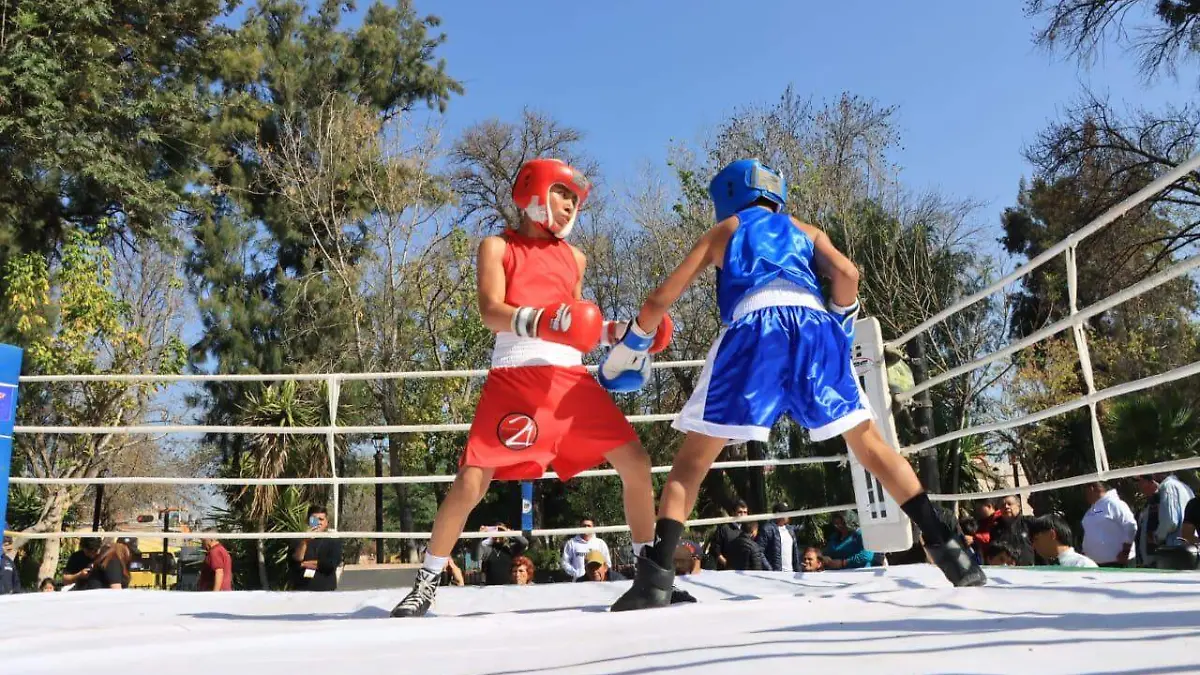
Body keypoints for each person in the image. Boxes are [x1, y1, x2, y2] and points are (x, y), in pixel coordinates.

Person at [599, 158, 987, 611]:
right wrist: (838, 326)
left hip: (754, 329)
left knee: (692, 462)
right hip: (816, 327)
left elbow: (659, 299)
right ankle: (952, 552)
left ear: (728, 195)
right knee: (870, 445)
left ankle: (655, 580)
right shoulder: (805, 229)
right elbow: (848, 275)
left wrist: (634, 343)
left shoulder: (725, 230)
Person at [391, 158, 677, 618]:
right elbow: (490, 310)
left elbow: (580, 326)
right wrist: (544, 320)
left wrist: (627, 333)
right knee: (471, 482)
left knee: (636, 462)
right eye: (561, 193)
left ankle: (650, 576)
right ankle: (426, 581)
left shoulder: (575, 258)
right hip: (516, 374)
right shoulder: (497, 246)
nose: (569, 206)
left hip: (570, 378)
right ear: (534, 192)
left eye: (575, 200)